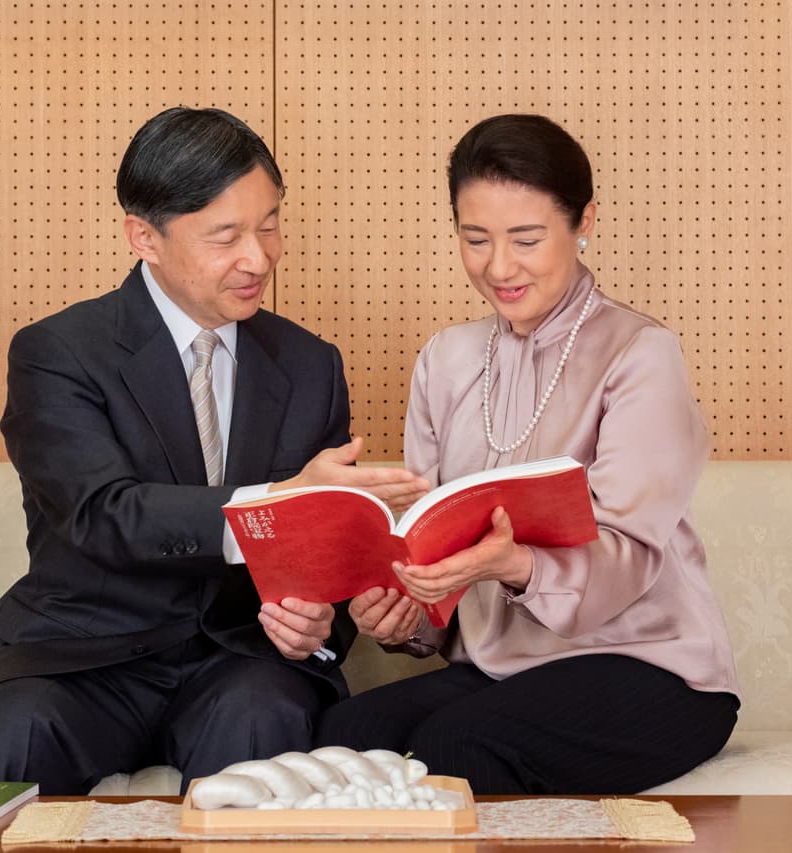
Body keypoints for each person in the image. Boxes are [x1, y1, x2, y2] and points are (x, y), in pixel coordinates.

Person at [0, 106, 427, 795]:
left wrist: (315, 617)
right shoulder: (59, 352)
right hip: (80, 657)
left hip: (240, 660)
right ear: (145, 236)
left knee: (268, 723)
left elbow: (325, 556)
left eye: (269, 225)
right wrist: (281, 500)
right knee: (15, 733)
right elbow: (103, 513)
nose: (259, 258)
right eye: (225, 235)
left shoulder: (310, 364)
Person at [317, 113, 740, 794]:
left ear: (584, 221)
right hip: (501, 670)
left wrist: (515, 565)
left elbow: (628, 550)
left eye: (527, 238)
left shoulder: (639, 354)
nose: (499, 267)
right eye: (475, 238)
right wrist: (403, 614)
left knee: (453, 743)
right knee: (343, 738)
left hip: (652, 667)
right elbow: (425, 550)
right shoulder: (446, 359)